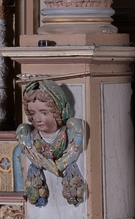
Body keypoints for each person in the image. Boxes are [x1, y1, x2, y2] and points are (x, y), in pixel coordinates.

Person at [16, 79, 87, 207]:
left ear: (58, 111)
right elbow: (33, 154)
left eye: (44, 113)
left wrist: (59, 165)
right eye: (32, 113)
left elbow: (73, 151)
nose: (37, 119)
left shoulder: (68, 132)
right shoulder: (30, 135)